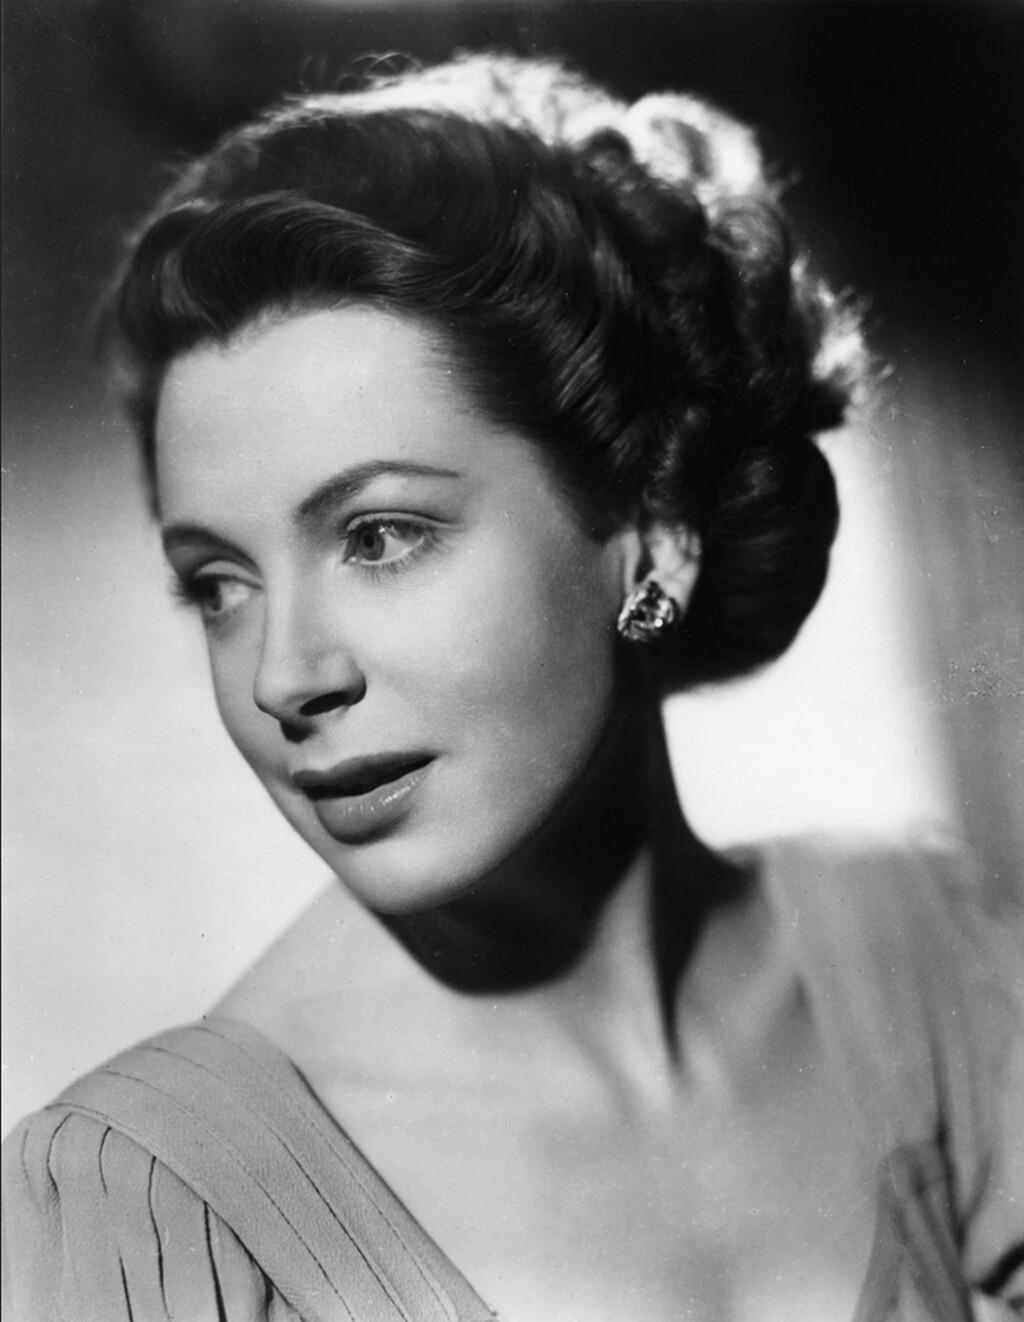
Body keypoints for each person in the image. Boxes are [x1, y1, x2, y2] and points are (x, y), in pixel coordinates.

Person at [3, 52, 1021, 1322]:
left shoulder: (919, 962)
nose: (285, 676)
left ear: (651, 535)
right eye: (219, 583)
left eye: (381, 535)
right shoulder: (143, 1203)